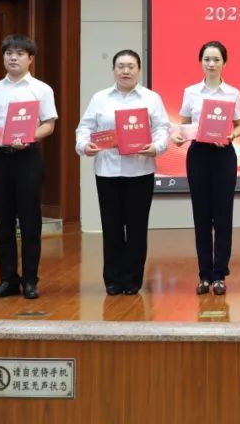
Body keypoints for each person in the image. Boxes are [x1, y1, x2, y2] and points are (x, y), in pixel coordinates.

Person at [76, 49, 171, 296]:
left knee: (137, 228)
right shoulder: (100, 98)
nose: (125, 71)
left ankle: (132, 280)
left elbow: (162, 128)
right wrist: (85, 146)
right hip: (107, 171)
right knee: (112, 227)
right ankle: (113, 279)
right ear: (113, 70)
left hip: (140, 170)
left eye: (130, 66)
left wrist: (157, 146)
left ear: (139, 70)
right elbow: (84, 128)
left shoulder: (151, 98)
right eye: (120, 66)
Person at [0, 34, 57, 301]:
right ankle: (7, 279)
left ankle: (30, 280)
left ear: (30, 59)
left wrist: (30, 135)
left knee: (30, 221)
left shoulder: (41, 89)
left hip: (28, 159)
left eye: (20, 53)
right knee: (2, 221)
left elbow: (49, 125)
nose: (13, 58)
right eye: (9, 53)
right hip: (0, 159)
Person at [171, 41, 240, 296]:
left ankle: (220, 274)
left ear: (224, 62)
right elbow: (184, 124)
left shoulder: (233, 93)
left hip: (223, 155)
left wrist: (231, 135)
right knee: (201, 216)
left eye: (216, 60)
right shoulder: (191, 92)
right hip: (198, 156)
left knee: (223, 216)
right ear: (200, 62)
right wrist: (178, 136)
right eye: (207, 59)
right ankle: (204, 275)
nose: (211, 64)